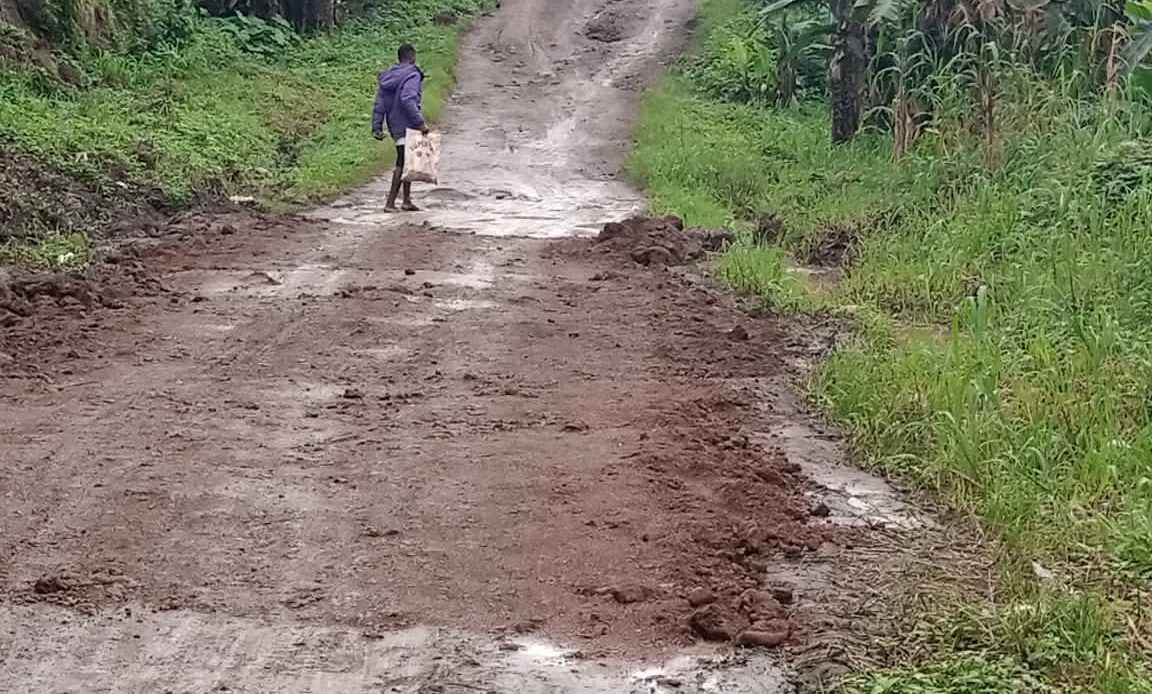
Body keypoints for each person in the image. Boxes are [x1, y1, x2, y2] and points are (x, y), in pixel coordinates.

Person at [372, 43, 429, 212]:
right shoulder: (412, 75)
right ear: (412, 57)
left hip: (394, 124)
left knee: (407, 160)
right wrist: (420, 122)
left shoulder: (388, 76)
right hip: (408, 123)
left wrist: (376, 126)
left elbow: (379, 104)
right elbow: (407, 99)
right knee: (402, 162)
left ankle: (406, 201)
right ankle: (390, 203)